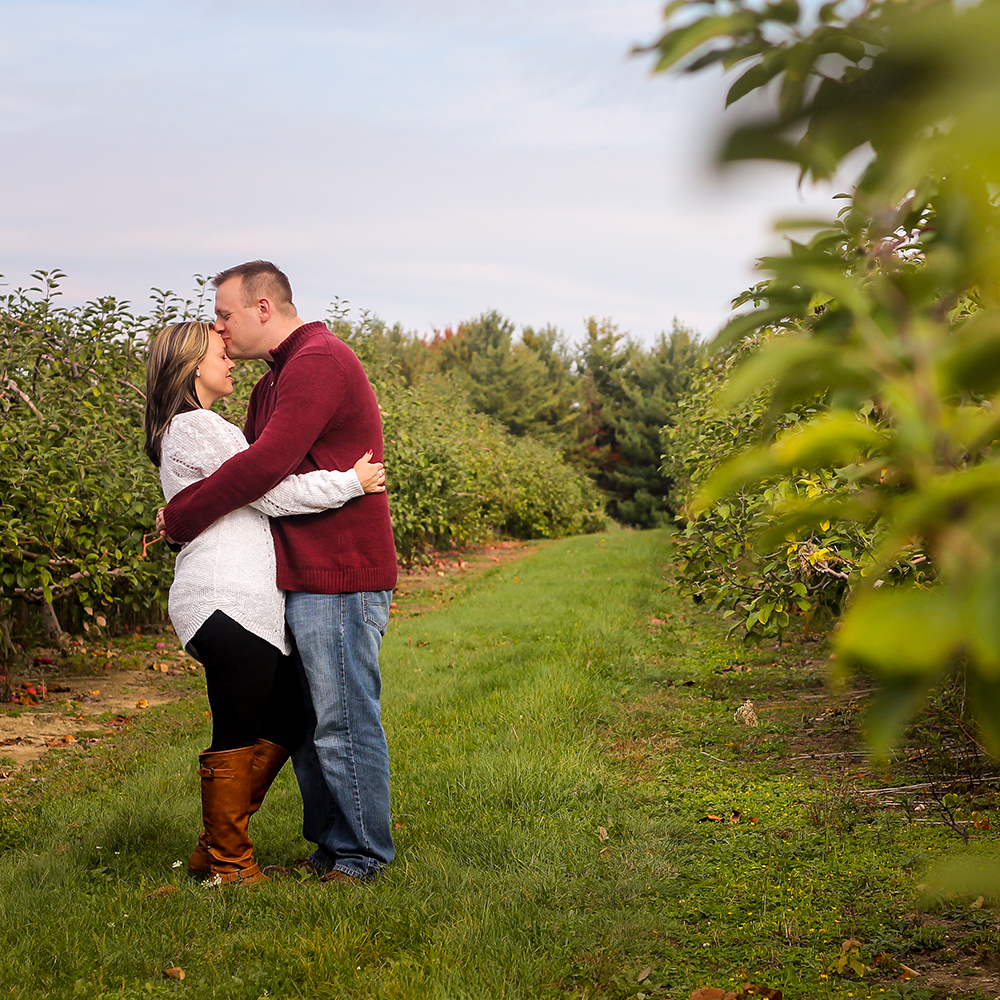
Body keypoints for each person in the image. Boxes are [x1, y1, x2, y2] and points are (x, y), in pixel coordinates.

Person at [159, 262, 398, 884]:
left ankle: (362, 854)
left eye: (225, 314)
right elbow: (244, 474)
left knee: (342, 716)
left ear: (263, 308)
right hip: (297, 572)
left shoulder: (317, 360)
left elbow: (263, 469)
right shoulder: (273, 382)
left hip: (339, 569)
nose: (220, 327)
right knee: (313, 720)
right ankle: (330, 843)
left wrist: (181, 512)